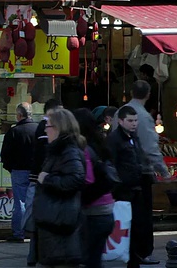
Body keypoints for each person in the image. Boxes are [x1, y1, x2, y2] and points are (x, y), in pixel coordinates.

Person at [111, 80, 171, 266]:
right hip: (140, 172)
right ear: (148, 94)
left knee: (127, 214)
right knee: (141, 215)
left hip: (122, 173)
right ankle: (141, 252)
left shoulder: (120, 113)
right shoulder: (143, 116)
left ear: (130, 92)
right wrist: (163, 170)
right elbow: (150, 147)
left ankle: (129, 251)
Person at [34, 108, 86, 267]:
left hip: (61, 223)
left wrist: (47, 179)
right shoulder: (57, 151)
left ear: (58, 128)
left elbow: (75, 179)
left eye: (48, 126)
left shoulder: (68, 151)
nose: (45, 129)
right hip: (53, 222)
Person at [108, 106, 151, 268]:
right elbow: (111, 164)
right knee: (127, 226)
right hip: (123, 192)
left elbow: (138, 158)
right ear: (121, 121)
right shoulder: (114, 139)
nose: (134, 124)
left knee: (137, 228)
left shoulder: (133, 137)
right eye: (130, 121)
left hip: (136, 189)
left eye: (135, 120)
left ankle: (135, 259)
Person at [73, 108, 115, 268]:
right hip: (107, 209)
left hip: (93, 212)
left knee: (90, 259)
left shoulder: (85, 149)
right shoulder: (100, 144)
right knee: (95, 258)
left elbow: (88, 179)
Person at [26, 98, 62, 266]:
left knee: (39, 218)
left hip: (42, 178)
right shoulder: (45, 128)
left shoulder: (51, 129)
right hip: (42, 179)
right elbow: (42, 154)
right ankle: (35, 254)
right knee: (39, 217)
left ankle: (35, 254)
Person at [0, 102, 38, 243]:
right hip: (36, 171)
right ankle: (35, 231)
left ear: (19, 115)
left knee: (20, 203)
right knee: (34, 201)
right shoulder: (38, 129)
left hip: (18, 171)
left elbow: (5, 154)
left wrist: (11, 168)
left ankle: (19, 233)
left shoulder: (14, 132)